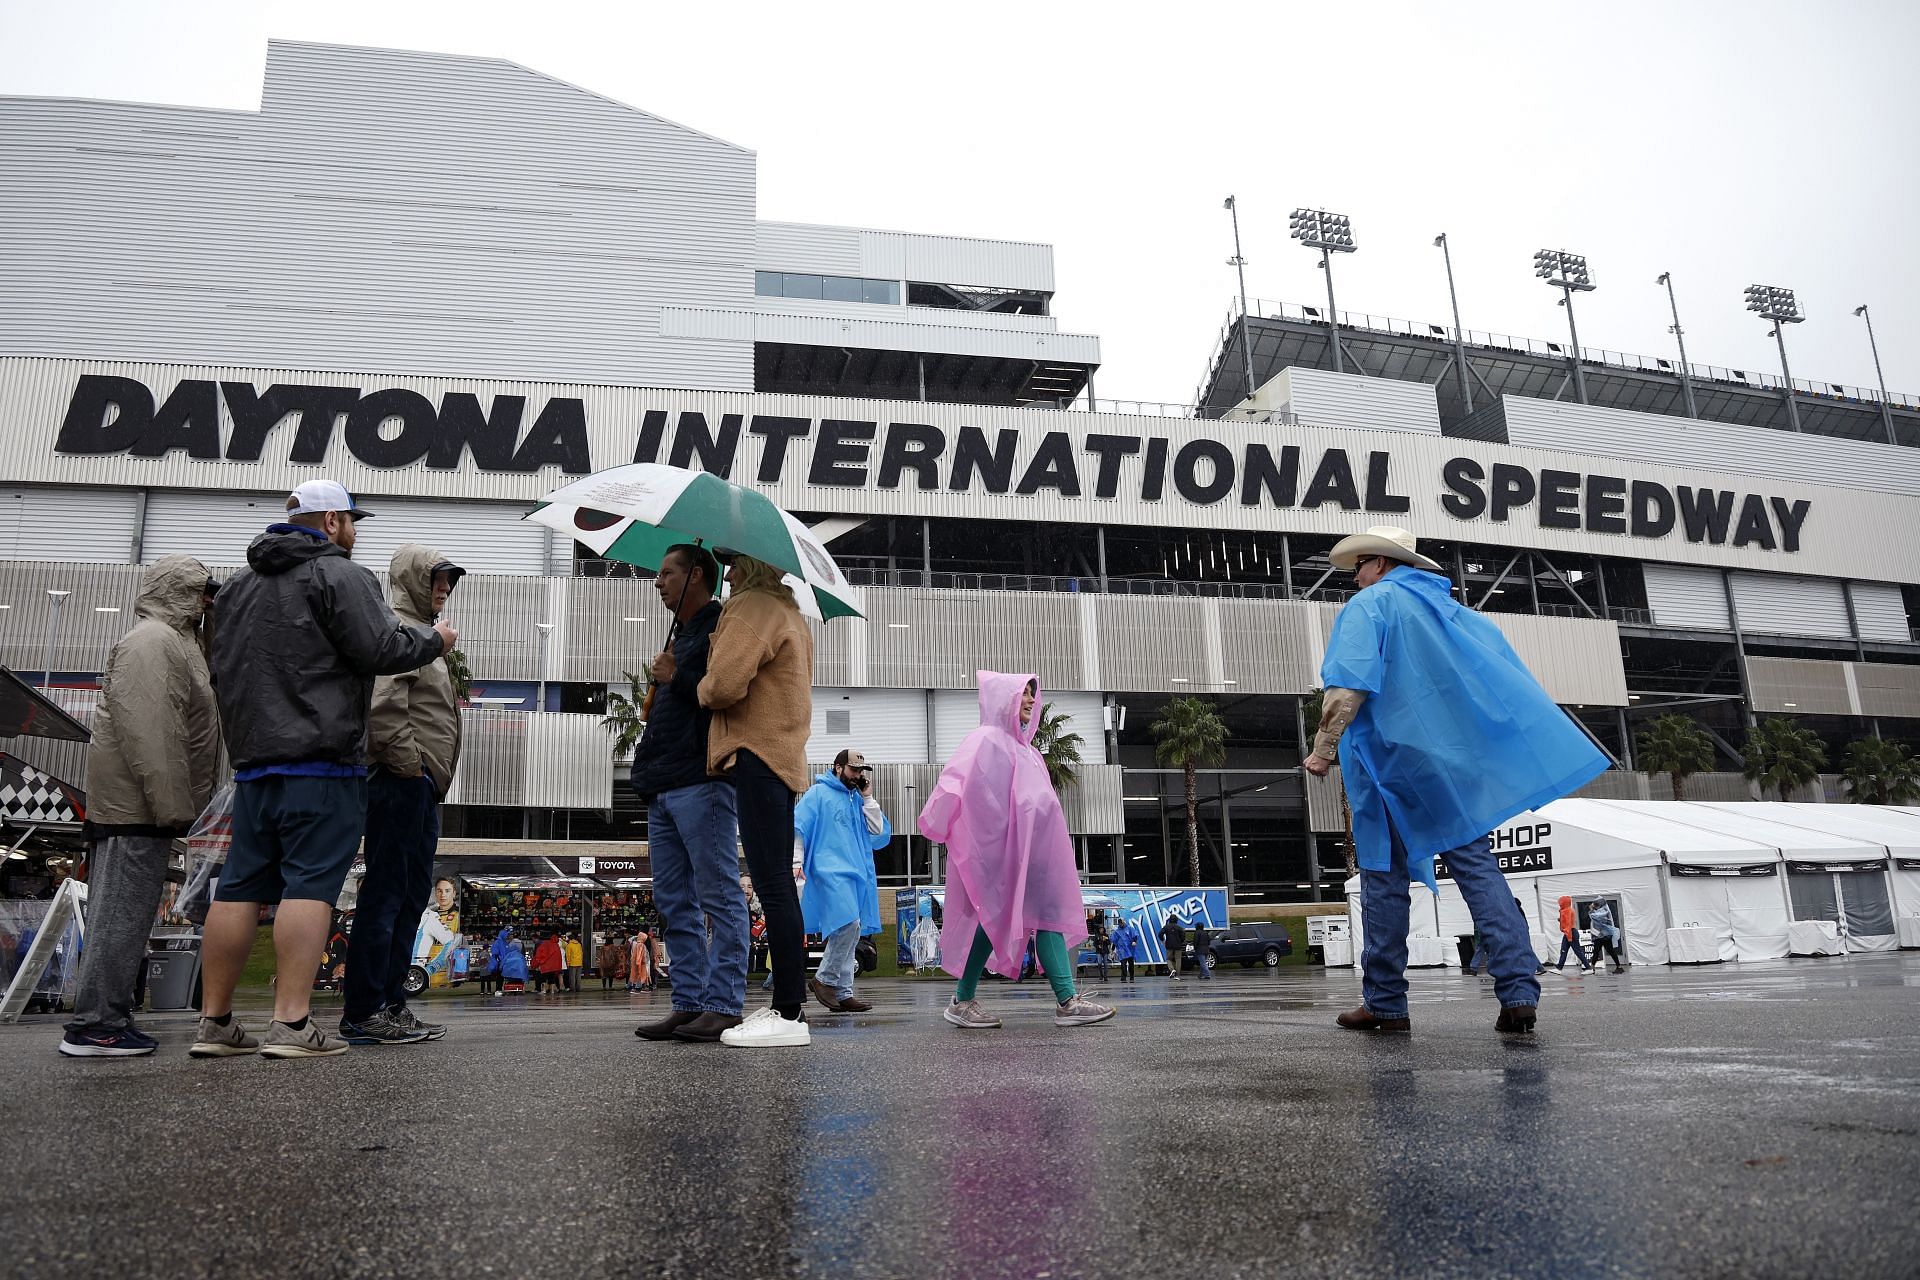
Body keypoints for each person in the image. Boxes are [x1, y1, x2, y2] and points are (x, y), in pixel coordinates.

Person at [1306, 526, 1608, 1036]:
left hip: (1390, 764)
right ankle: (1518, 993)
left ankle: (1384, 1003)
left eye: (1359, 564)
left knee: (1383, 878)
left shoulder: (1371, 605)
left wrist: (1321, 751)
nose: (1354, 576)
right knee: (1476, 867)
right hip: (1449, 761)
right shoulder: (1454, 613)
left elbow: (1348, 686)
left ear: (1380, 564)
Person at [196, 481, 454, 1060]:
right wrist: (434, 642)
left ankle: (214, 1023)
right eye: (353, 523)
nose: (356, 534)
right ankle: (291, 1025)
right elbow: (381, 649)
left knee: (238, 888)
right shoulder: (340, 575)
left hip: (254, 765)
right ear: (333, 521)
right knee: (309, 886)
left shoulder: (237, 589)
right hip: (321, 760)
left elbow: (221, 670)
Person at [58, 557, 221, 1058]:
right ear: (181, 592)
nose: (209, 601)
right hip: (135, 810)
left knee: (124, 917)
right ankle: (94, 1026)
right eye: (202, 592)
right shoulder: (154, 642)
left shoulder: (174, 642)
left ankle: (106, 1018)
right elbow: (151, 731)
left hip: (138, 808)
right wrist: (175, 807)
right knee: (119, 918)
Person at [921, 672, 1113, 1030]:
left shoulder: (1029, 752)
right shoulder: (985, 740)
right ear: (1002, 698)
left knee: (1047, 915)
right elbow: (955, 782)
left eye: (1031, 694)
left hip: (1039, 855)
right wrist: (939, 820)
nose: (1029, 699)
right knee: (993, 920)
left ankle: (1066, 1001)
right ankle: (963, 999)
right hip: (1006, 855)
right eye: (1021, 693)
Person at [341, 544, 465, 1047]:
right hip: (400, 783)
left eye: (450, 579)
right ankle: (368, 1009)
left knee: (409, 896)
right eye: (436, 577)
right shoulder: (401, 632)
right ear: (412, 579)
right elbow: (384, 709)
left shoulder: (420, 634)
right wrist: (412, 769)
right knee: (389, 895)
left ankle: (389, 1005)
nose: (445, 586)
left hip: (417, 786)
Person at [629, 544, 750, 1044]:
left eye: (667, 573)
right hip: (663, 783)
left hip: (703, 781)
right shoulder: (682, 632)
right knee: (673, 899)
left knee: (718, 893)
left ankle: (722, 1004)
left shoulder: (723, 627)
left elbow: (727, 690)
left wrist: (675, 676)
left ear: (696, 575)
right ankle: (690, 1001)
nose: (658, 583)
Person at [698, 553, 815, 1048]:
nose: (727, 574)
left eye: (732, 565)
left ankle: (788, 1011)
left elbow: (721, 686)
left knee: (771, 883)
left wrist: (702, 676)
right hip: (780, 756)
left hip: (758, 753)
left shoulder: (752, 606)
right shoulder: (788, 611)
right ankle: (788, 1006)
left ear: (750, 563)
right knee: (777, 884)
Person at [795, 748, 891, 1015]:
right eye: (853, 770)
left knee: (851, 929)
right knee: (849, 923)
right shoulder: (817, 794)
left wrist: (868, 797)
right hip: (828, 870)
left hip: (855, 873)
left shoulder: (857, 799)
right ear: (837, 767)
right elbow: (798, 826)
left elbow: (877, 831)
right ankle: (824, 979)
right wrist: (795, 862)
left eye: (861, 771)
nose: (857, 775)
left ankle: (843, 992)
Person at [1554, 894, 1593, 973]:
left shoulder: (1567, 910)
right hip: (1569, 932)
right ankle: (1559, 967)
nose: (1559, 904)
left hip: (1570, 932)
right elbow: (1567, 921)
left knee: (1577, 951)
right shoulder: (1567, 910)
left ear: (1564, 903)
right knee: (1563, 950)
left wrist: (1569, 936)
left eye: (1560, 903)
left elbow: (1568, 924)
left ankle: (1589, 968)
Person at [1586, 901, 1627, 974]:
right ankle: (1619, 966)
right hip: (1607, 935)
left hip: (1599, 936)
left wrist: (1591, 908)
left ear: (1596, 906)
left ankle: (1592, 967)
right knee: (1611, 951)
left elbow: (1593, 915)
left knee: (1596, 952)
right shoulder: (1606, 911)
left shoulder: (1597, 914)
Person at [490, 926, 528, 995]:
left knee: (506, 975)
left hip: (506, 963)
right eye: (508, 934)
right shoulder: (499, 942)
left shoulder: (507, 943)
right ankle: (498, 989)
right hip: (502, 962)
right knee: (500, 976)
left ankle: (505, 989)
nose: (508, 936)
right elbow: (495, 953)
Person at [1110, 917, 1142, 983]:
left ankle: (1131, 976)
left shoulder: (1130, 928)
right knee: (1123, 964)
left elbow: (1135, 935)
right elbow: (1114, 940)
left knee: (1131, 964)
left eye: (1121, 923)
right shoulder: (1117, 931)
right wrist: (1113, 949)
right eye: (1119, 924)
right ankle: (1123, 977)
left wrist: (1134, 941)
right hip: (1122, 950)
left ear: (1123, 922)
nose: (1120, 925)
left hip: (1130, 948)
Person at [1160, 912, 1187, 980]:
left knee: (1169, 959)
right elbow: (1183, 934)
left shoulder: (1166, 927)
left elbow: (1160, 933)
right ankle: (1177, 975)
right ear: (1176, 920)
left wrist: (1163, 940)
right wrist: (1181, 940)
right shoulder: (1179, 928)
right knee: (1178, 960)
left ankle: (1172, 970)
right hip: (1178, 945)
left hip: (1169, 945)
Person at [628, 926, 653, 992]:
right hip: (642, 961)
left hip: (636, 959)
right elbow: (642, 953)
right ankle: (640, 987)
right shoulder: (642, 943)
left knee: (635, 973)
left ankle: (636, 987)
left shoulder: (637, 943)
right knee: (642, 973)